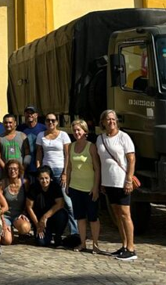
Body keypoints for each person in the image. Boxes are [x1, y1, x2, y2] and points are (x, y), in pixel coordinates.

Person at [96, 109, 137, 261]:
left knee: (126, 214)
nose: (111, 122)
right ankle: (124, 245)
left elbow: (131, 159)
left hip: (121, 181)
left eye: (114, 119)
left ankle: (131, 248)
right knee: (117, 215)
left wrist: (129, 179)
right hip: (109, 181)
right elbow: (100, 162)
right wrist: (101, 182)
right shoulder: (100, 139)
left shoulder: (123, 137)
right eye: (108, 119)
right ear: (103, 122)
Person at [36, 113, 78, 240]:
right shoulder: (41, 135)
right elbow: (39, 153)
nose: (51, 122)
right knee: (47, 200)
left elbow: (67, 154)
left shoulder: (63, 135)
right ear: (45, 122)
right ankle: (45, 228)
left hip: (60, 170)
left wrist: (65, 173)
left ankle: (74, 231)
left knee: (68, 202)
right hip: (46, 172)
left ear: (57, 122)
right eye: (48, 120)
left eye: (53, 120)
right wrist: (39, 169)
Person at [67, 119, 103, 253]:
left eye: (79, 130)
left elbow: (97, 168)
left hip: (89, 188)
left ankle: (95, 244)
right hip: (75, 186)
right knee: (80, 217)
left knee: (93, 217)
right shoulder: (71, 146)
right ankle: (82, 243)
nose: (76, 132)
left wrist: (95, 187)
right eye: (74, 130)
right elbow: (69, 167)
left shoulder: (91, 146)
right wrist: (68, 183)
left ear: (85, 131)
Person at [26, 166, 67, 248]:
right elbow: (29, 207)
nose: (44, 181)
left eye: (46, 178)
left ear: (50, 178)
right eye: (41, 178)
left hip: (52, 217)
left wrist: (45, 217)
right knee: (41, 242)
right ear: (38, 179)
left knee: (63, 214)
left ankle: (58, 236)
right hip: (38, 219)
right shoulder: (34, 188)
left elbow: (60, 203)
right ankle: (46, 234)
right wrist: (38, 224)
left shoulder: (55, 186)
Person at [0, 159, 31, 246]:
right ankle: (9, 231)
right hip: (5, 215)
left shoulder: (25, 183)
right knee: (7, 241)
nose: (13, 171)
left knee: (25, 228)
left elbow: (28, 200)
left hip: (18, 215)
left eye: (15, 169)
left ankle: (19, 232)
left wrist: (25, 212)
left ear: (19, 170)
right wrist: (2, 221)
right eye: (10, 169)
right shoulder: (3, 183)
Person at [0, 114, 29, 180]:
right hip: (6, 173)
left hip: (20, 172)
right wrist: (7, 169)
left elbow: (28, 155)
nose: (8, 125)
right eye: (6, 123)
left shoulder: (22, 136)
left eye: (10, 122)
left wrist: (22, 168)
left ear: (15, 123)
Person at [17, 105, 46, 185]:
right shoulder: (20, 129)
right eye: (27, 113)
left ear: (36, 115)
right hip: (25, 166)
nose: (29, 115)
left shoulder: (43, 128)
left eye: (32, 113)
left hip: (40, 165)